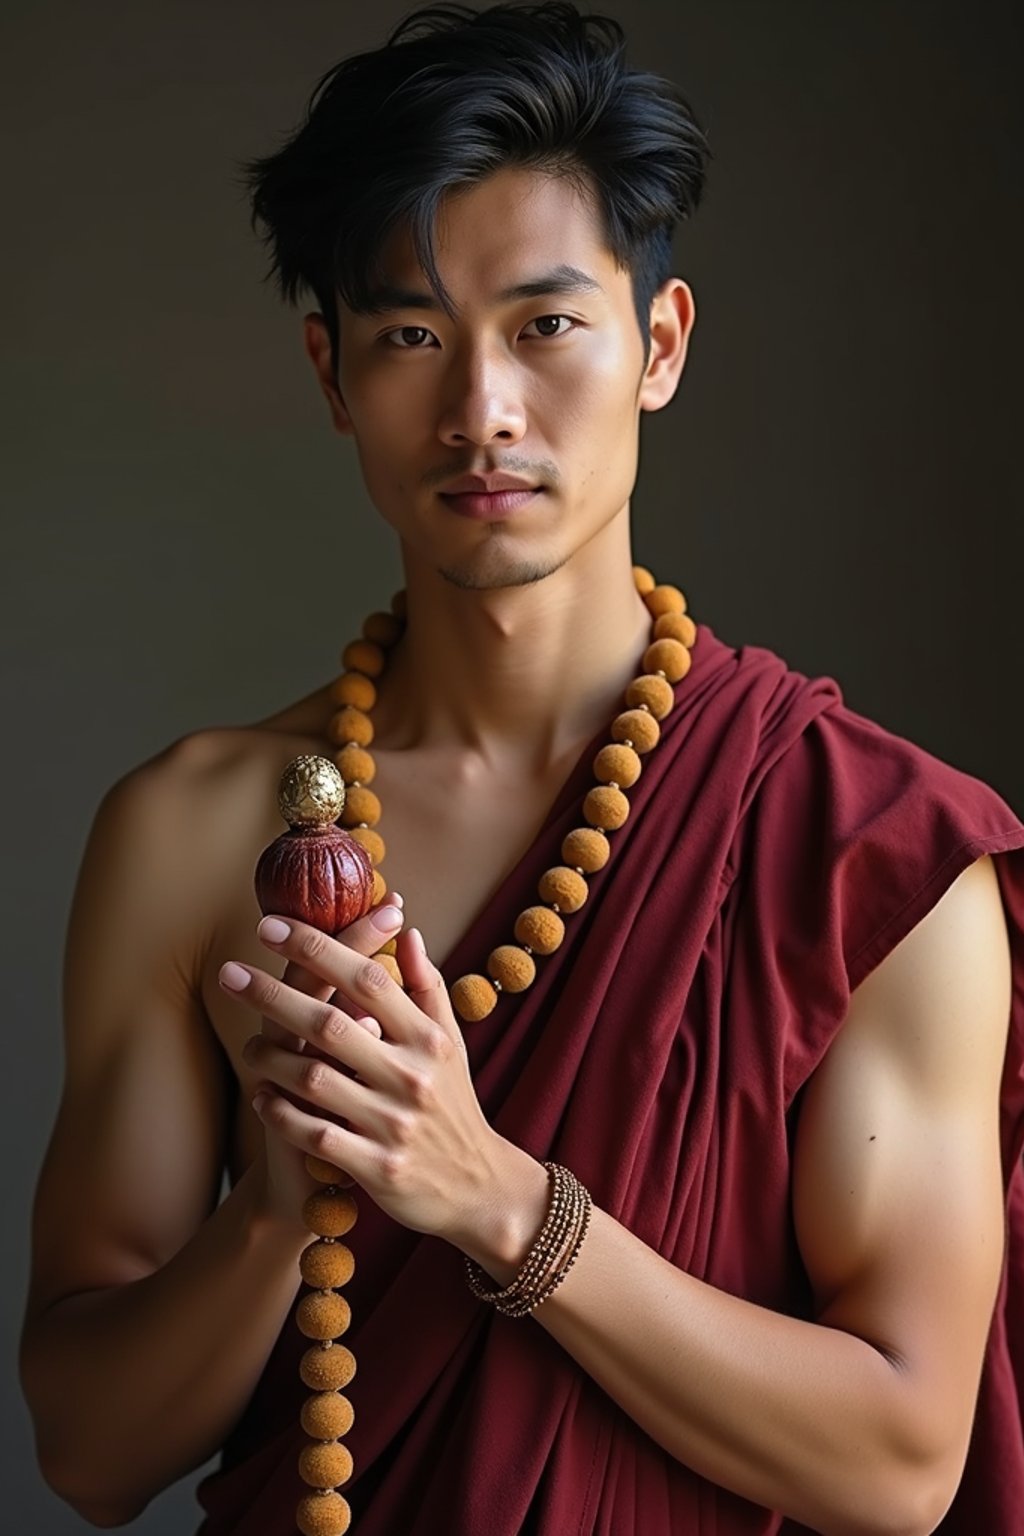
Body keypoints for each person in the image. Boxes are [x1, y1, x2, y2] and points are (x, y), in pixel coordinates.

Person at [20, 4, 1024, 1533]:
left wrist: (490, 1196)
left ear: (660, 345)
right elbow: (88, 1456)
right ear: (332, 374)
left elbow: (899, 1463)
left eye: (547, 325)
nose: (482, 408)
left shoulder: (864, 851)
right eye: (411, 335)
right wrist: (282, 1219)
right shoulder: (190, 832)